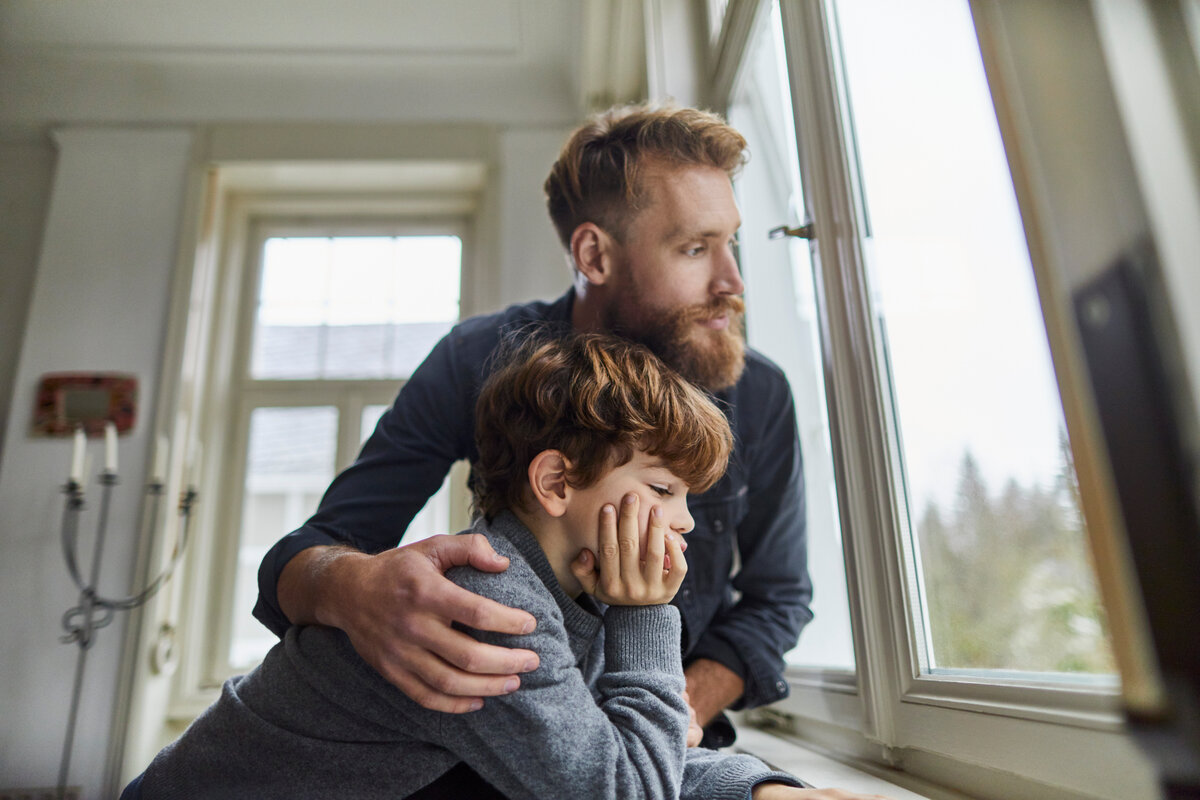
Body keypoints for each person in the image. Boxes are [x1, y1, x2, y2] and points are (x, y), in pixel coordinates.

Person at [254, 104, 813, 745]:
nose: (733, 281)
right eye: (695, 248)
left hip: (670, 747)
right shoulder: (476, 359)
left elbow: (779, 598)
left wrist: (675, 708)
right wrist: (351, 587)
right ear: (594, 253)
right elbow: (311, 548)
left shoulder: (761, 394)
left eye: (731, 241)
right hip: (506, 735)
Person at [127, 335, 882, 800]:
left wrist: (760, 788)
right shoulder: (489, 611)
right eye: (661, 490)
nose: (685, 521)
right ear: (556, 483)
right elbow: (623, 793)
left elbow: (601, 754)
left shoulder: (554, 597)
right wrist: (650, 616)